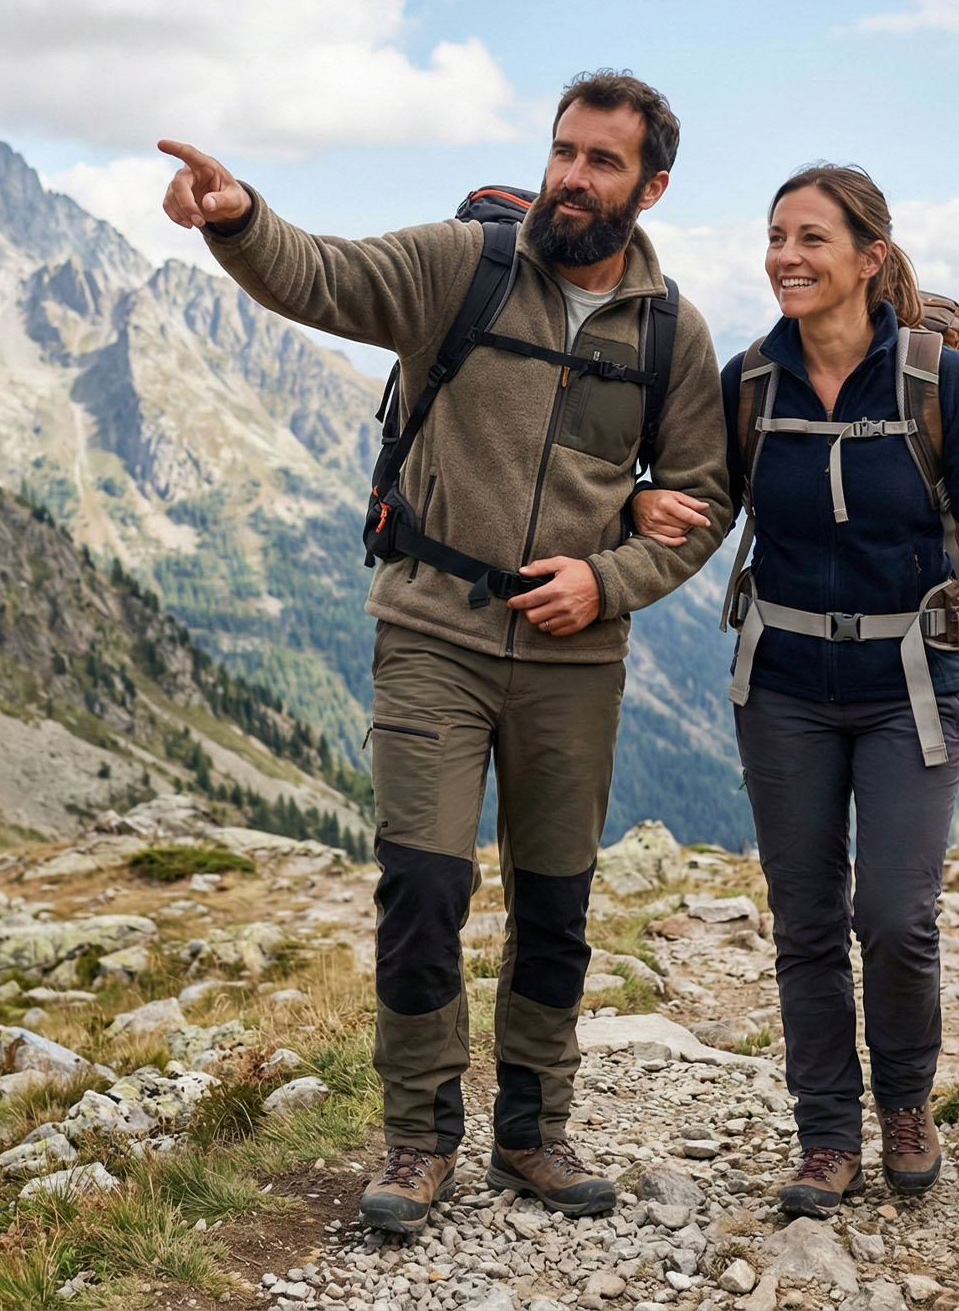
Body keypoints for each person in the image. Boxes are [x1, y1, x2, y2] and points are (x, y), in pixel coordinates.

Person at [157, 72, 732, 1234]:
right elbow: (321, 275)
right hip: (432, 630)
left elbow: (703, 498)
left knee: (555, 901)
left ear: (651, 186)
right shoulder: (461, 266)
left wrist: (607, 578)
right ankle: (417, 1135)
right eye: (563, 150)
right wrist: (237, 218)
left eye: (602, 160)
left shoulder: (670, 333)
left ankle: (531, 1131)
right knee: (422, 885)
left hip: (575, 658)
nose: (571, 175)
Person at [634, 164, 959, 1214]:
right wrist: (640, 508)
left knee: (896, 915)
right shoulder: (748, 382)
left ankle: (903, 1104)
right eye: (776, 236)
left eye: (811, 238)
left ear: (869, 257)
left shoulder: (936, 381)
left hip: (909, 680)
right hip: (779, 683)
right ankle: (825, 1133)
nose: (785, 256)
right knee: (806, 919)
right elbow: (704, 499)